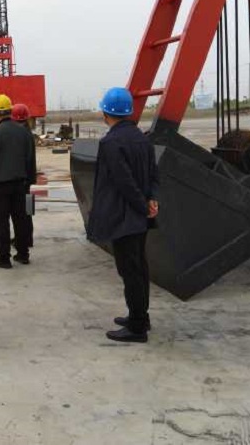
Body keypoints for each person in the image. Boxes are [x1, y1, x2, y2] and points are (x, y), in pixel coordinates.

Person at [87, 87, 159, 344]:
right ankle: (140, 316)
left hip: (124, 216)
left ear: (106, 112)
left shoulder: (110, 143)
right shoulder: (142, 139)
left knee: (130, 271)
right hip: (139, 217)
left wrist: (142, 204)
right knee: (139, 268)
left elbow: (123, 182)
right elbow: (153, 174)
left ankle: (137, 328)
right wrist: (151, 200)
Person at [0, 94, 36, 269]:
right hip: (21, 183)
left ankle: (4, 258)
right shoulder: (24, 132)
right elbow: (29, 159)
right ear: (10, 110)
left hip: (1, 184)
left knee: (2, 221)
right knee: (20, 219)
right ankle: (23, 254)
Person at [10, 103, 37, 249]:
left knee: (22, 211)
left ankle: (25, 239)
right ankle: (27, 238)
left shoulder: (21, 135)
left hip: (22, 179)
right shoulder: (28, 133)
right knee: (27, 210)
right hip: (28, 178)